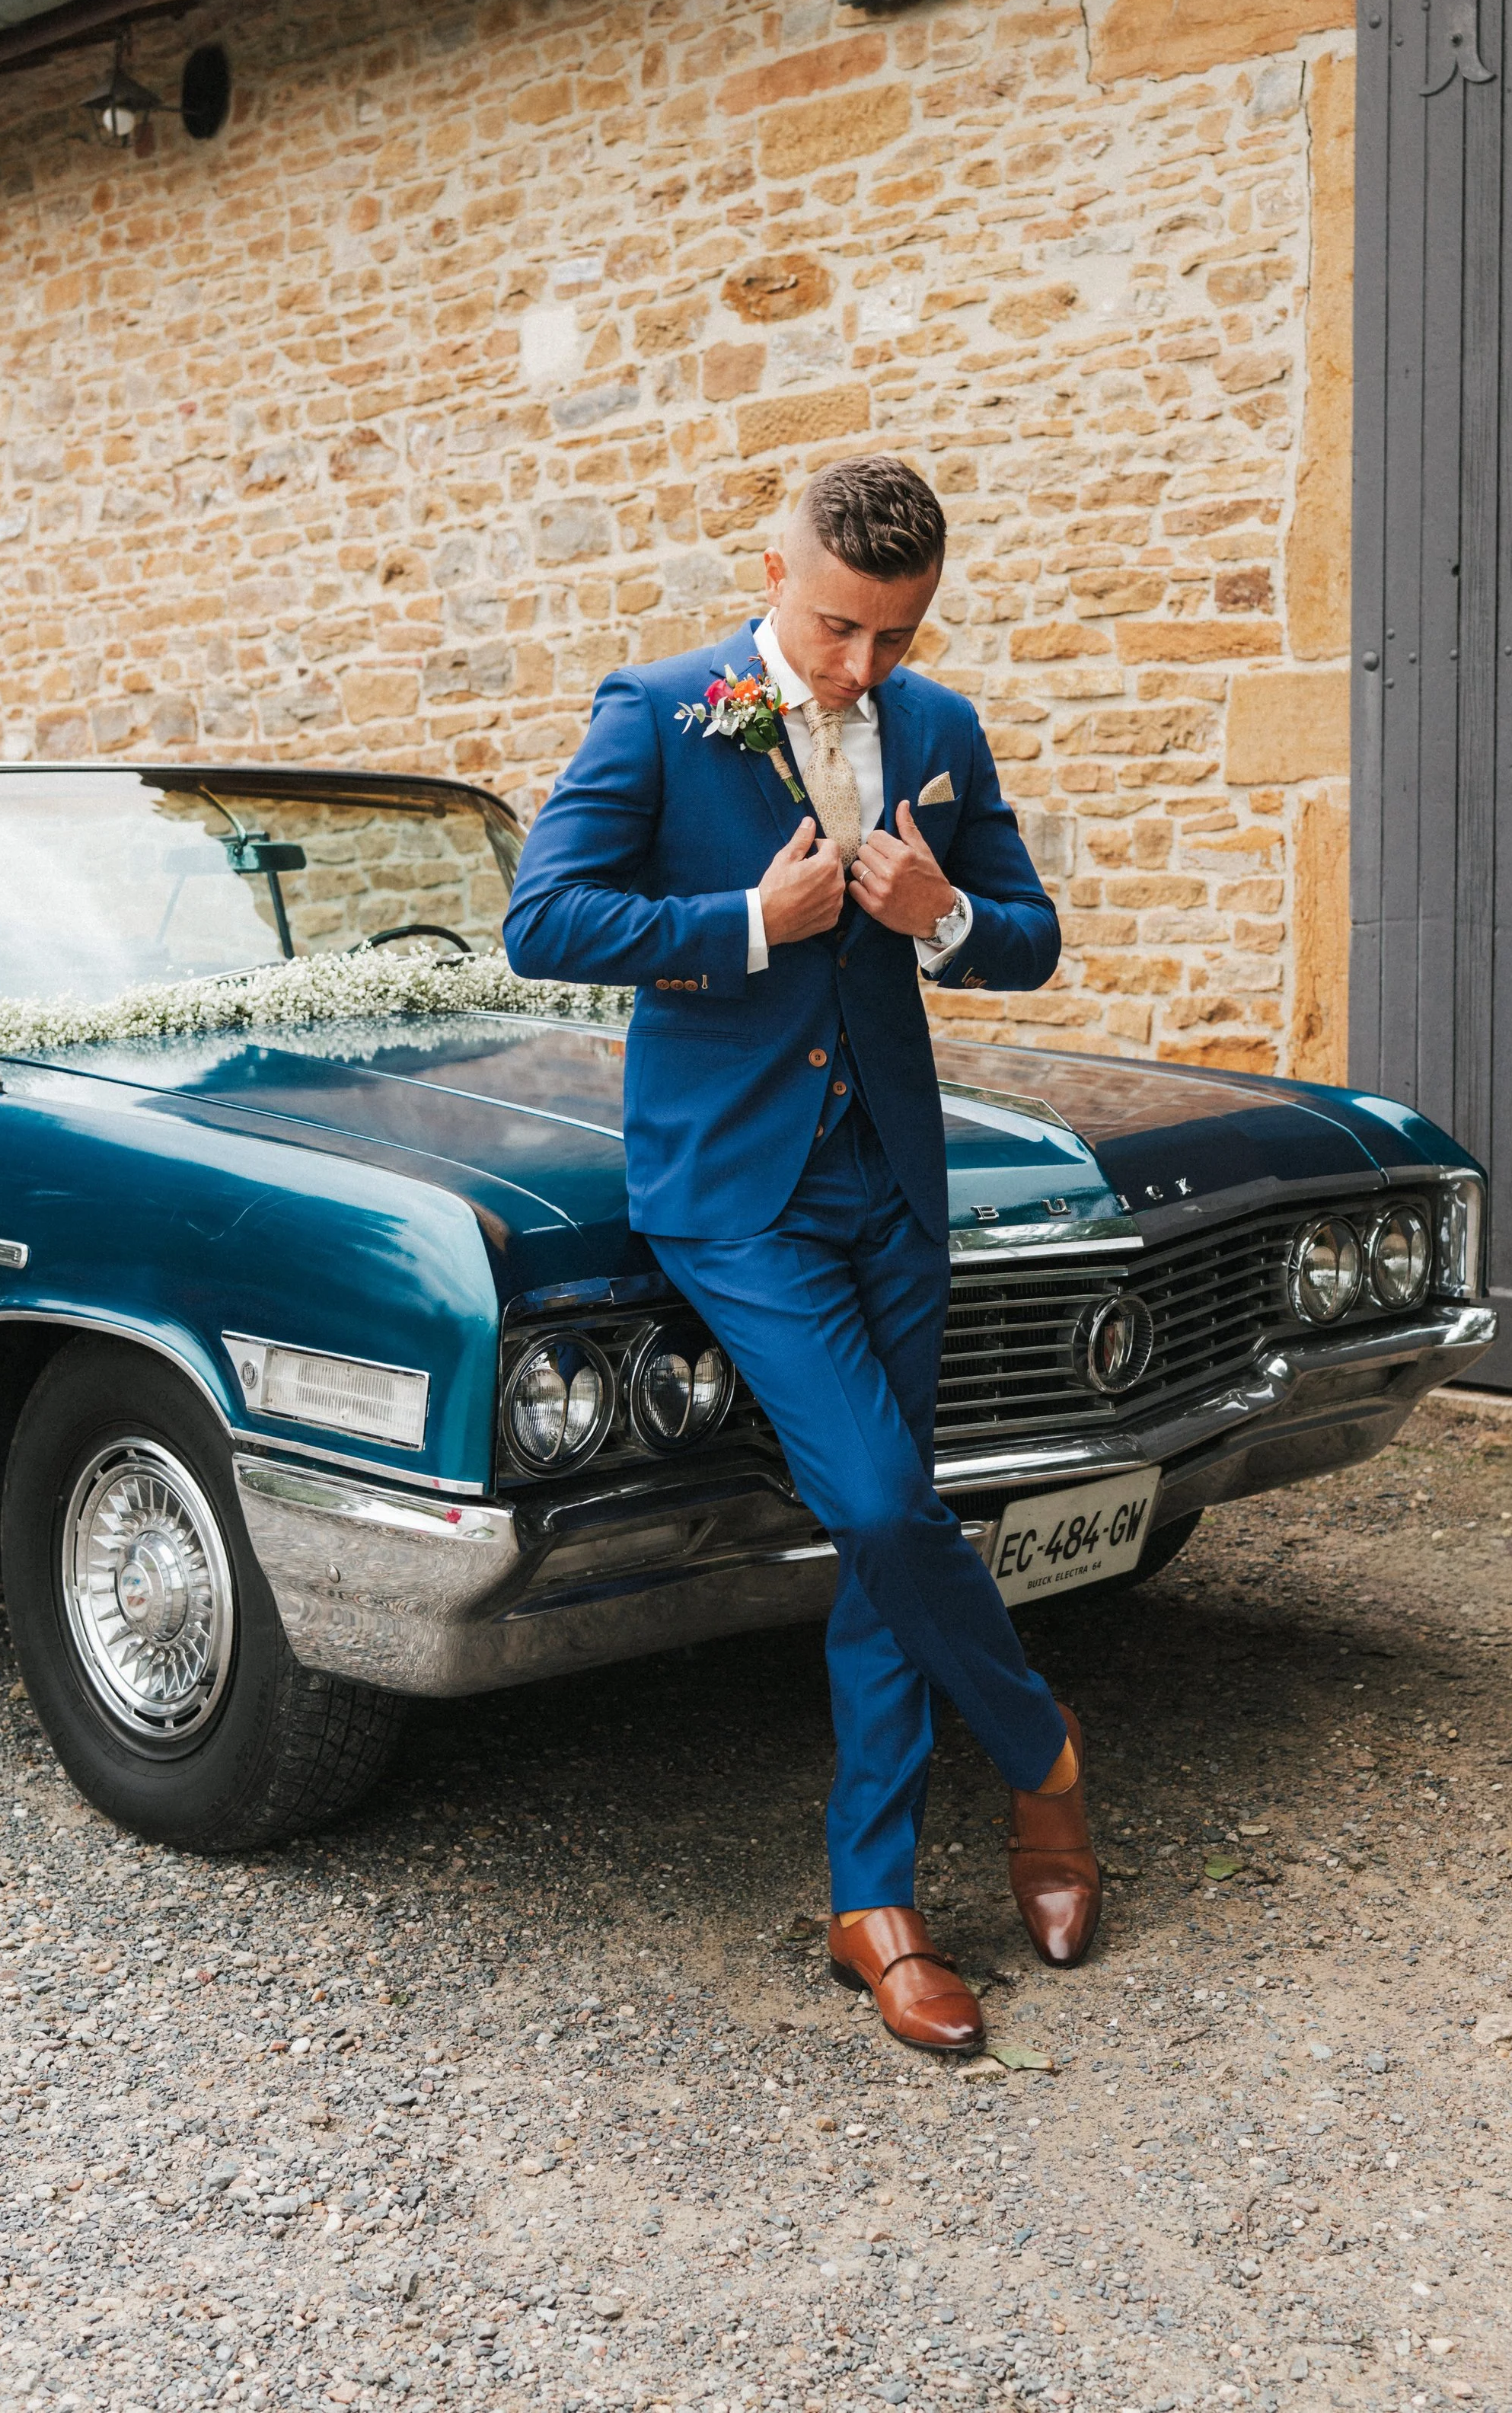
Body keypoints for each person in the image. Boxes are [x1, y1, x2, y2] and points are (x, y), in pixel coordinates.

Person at [502, 455, 1101, 2049]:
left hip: (894, 1181)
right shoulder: (654, 709)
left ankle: (875, 1899)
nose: (862, 669)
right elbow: (543, 920)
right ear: (770, 563)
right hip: (733, 1190)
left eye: (893, 638)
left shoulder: (940, 729)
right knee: (882, 1496)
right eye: (839, 628)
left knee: (872, 1539)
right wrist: (743, 925)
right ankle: (1041, 1761)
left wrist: (944, 921)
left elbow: (1029, 936)